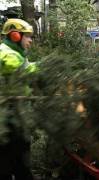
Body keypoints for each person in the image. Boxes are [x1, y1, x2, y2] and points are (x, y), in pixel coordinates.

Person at [0, 18, 35, 180]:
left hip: (18, 114)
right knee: (11, 162)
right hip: (10, 119)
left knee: (17, 161)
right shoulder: (6, 54)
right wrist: (45, 69)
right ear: (15, 36)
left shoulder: (18, 53)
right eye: (27, 36)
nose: (30, 40)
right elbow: (22, 69)